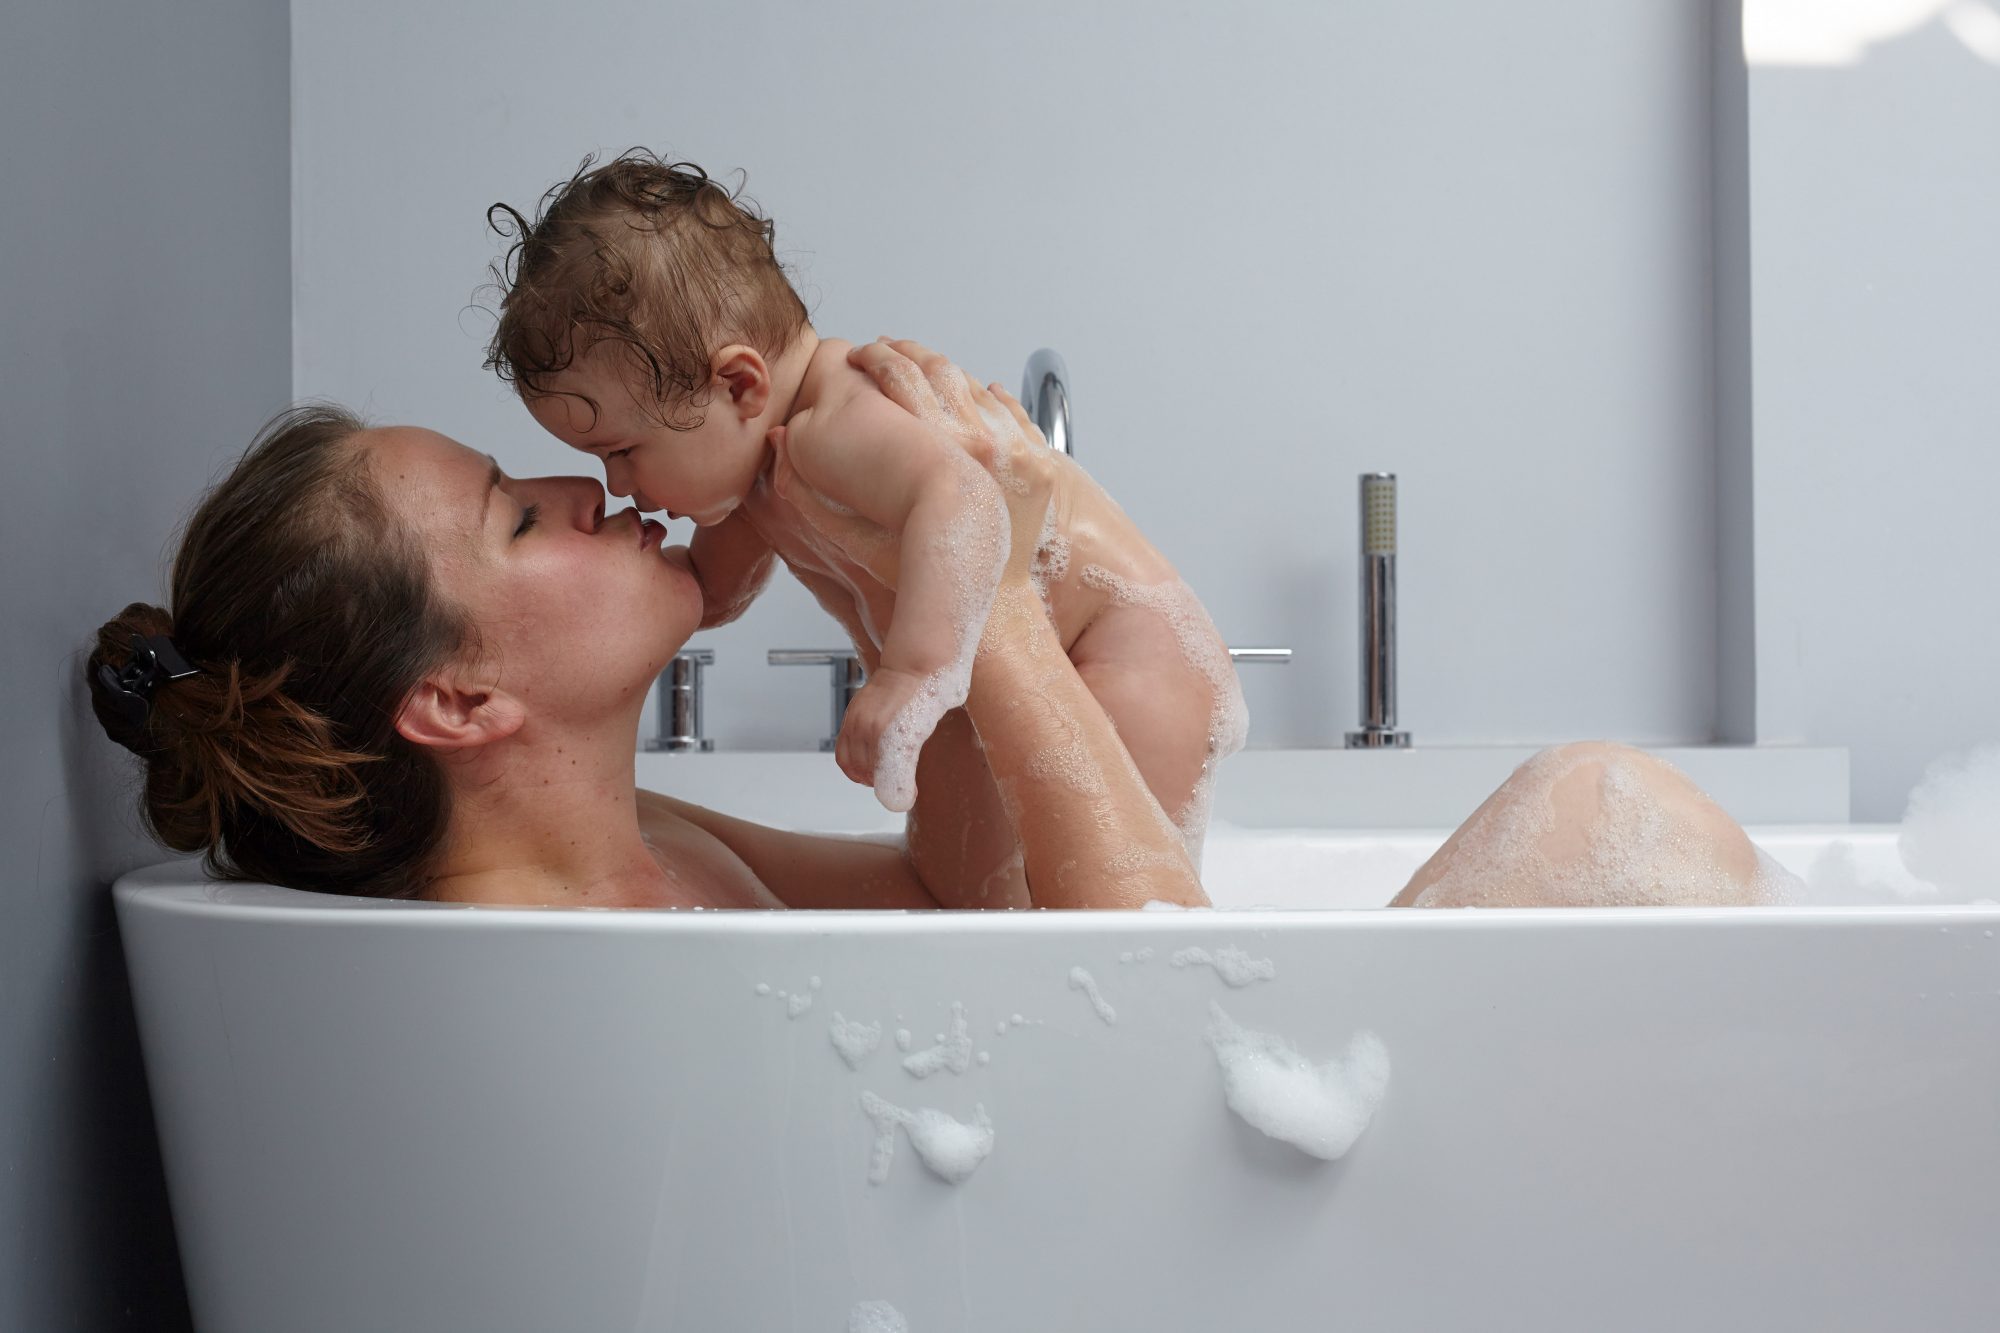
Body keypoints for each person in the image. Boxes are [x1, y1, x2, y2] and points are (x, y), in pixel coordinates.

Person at [86, 342, 1785, 912]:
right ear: (455, 697)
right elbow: (1171, 995)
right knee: (1596, 806)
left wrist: (966, 578)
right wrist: (997, 629)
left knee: (1603, 807)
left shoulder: (628, 849)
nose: (589, 485)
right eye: (521, 515)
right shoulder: (563, 932)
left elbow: (939, 896)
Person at [482, 151, 1243, 912]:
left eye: (623, 450)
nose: (617, 484)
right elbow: (709, 590)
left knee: (1122, 923)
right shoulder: (753, 474)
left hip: (1126, 646)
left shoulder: (834, 422)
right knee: (973, 898)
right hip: (992, 664)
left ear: (739, 385)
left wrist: (910, 675)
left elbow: (965, 498)